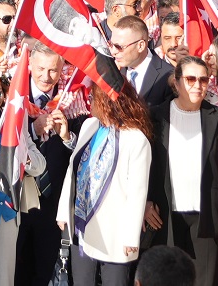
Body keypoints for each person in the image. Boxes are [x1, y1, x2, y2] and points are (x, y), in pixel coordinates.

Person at [145, 57, 218, 286]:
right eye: (190, 79)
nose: (197, 85)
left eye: (203, 80)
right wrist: (146, 201)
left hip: (206, 217)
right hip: (165, 216)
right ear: (176, 83)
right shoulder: (156, 116)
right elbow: (146, 165)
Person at [59, 72, 152, 286]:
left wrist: (131, 236)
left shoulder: (136, 139)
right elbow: (74, 169)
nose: (89, 102)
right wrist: (64, 211)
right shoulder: (89, 126)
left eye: (93, 98)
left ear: (107, 102)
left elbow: (137, 192)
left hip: (116, 231)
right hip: (83, 225)